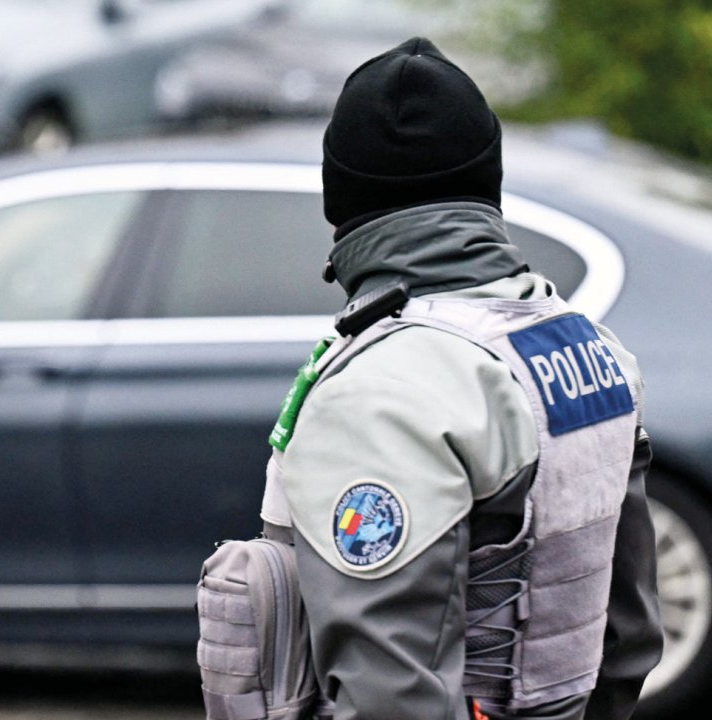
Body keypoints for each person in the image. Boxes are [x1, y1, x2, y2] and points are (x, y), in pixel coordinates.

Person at [260, 37, 663, 720]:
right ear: (487, 185)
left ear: (343, 198)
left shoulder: (384, 391)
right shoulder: (586, 346)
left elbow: (390, 692)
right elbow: (628, 633)